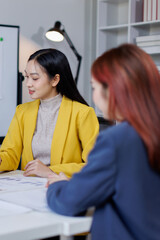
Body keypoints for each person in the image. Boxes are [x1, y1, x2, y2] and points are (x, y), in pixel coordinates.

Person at [46, 44, 160, 239]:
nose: (94, 96)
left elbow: (68, 202)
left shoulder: (116, 140)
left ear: (114, 90)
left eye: (95, 87)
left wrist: (58, 184)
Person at [0, 49, 99, 177]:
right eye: (27, 77)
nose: (28, 84)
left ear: (55, 80)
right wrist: (0, 159)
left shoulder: (82, 113)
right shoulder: (22, 111)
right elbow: (11, 154)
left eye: (35, 78)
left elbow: (96, 164)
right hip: (28, 186)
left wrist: (50, 171)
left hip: (62, 187)